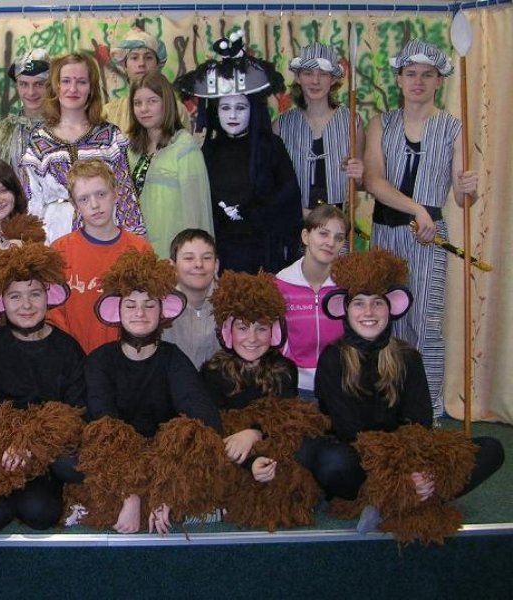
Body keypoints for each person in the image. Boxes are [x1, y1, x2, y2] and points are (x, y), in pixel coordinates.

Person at [310, 249, 503, 532]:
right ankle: (403, 496)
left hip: (406, 455)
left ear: (392, 307)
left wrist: (415, 469)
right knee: (331, 463)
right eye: (359, 304)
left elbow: (419, 422)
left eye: (377, 303)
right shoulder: (332, 358)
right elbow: (347, 430)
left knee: (491, 449)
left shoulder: (408, 356)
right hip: (359, 459)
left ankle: (394, 498)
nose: (368, 313)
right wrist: (397, 474)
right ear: (344, 309)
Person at [364, 40, 479, 419]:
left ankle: (428, 412)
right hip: (385, 232)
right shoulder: (381, 124)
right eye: (411, 74)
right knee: (385, 319)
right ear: (398, 78)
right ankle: (390, 407)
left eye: (427, 75)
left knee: (425, 322)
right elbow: (374, 181)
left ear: (438, 81)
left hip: (430, 238)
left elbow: (462, 197)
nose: (418, 81)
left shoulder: (453, 127)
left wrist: (468, 189)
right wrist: (416, 209)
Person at [84, 249, 223, 534]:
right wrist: (130, 491)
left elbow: (204, 417)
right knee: (84, 452)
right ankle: (138, 501)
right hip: (118, 458)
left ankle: (165, 500)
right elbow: (102, 424)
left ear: (162, 311)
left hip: (164, 456)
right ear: (117, 311)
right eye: (130, 305)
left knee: (203, 443)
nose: (140, 313)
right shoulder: (100, 360)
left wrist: (168, 484)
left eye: (149, 305)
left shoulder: (173, 358)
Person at [0, 242, 85, 532]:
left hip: (48, 454)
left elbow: (77, 411)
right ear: (1, 302)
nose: (26, 305)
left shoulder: (67, 348)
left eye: (35, 294)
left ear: (48, 296)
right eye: (15, 296)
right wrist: (10, 445)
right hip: (0, 454)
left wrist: (33, 444)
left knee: (40, 513)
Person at [176, 31, 302, 274]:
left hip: (263, 255)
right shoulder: (206, 152)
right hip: (217, 256)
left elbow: (288, 200)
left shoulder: (271, 147)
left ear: (252, 110)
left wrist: (254, 212)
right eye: (225, 108)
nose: (232, 115)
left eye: (241, 107)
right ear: (216, 111)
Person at [19, 52, 146, 243]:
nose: (73, 89)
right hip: (55, 233)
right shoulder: (39, 140)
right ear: (57, 86)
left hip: (105, 232)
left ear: (91, 88)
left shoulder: (109, 136)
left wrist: (135, 241)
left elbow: (125, 194)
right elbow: (31, 199)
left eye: (81, 82)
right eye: (66, 81)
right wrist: (32, 246)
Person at [202, 270, 299, 482]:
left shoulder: (285, 370)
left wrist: (254, 433)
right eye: (243, 328)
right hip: (229, 454)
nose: (252, 339)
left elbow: (285, 422)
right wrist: (248, 459)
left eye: (261, 329)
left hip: (272, 454)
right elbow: (213, 426)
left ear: (274, 332)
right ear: (228, 331)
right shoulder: (213, 372)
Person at [47, 159, 152, 354]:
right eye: (84, 199)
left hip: (127, 357)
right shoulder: (60, 251)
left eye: (101, 194)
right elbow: (54, 314)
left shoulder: (139, 249)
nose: (94, 205)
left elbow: (149, 310)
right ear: (74, 204)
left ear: (115, 194)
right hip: (75, 358)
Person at [127, 72, 213, 258]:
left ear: (166, 103)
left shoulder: (184, 148)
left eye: (152, 101)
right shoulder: (131, 150)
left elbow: (196, 212)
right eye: (137, 103)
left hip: (174, 255)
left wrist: (193, 258)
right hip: (137, 251)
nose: (144, 109)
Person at [274, 43, 364, 218]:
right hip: (294, 220)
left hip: (338, 224)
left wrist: (359, 174)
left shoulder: (352, 122)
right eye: (308, 73)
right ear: (298, 77)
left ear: (333, 79)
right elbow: (272, 186)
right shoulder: (280, 126)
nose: (315, 81)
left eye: (323, 74)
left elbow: (360, 183)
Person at [275, 205, 347, 400]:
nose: (330, 243)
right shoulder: (280, 284)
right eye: (323, 234)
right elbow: (274, 336)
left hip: (340, 383)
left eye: (339, 238)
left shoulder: (348, 285)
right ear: (306, 236)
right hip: (294, 385)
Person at [102, 26, 191, 133]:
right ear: (125, 66)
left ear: (157, 65)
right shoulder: (109, 113)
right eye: (134, 58)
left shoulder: (177, 110)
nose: (142, 64)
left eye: (148, 57)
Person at [161, 228, 221, 369]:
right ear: (172, 266)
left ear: (216, 265)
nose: (199, 264)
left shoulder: (233, 304)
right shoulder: (158, 308)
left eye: (207, 258)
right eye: (189, 258)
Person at [0, 50, 50, 177]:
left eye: (39, 84)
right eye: (23, 84)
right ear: (17, 86)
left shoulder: (63, 126)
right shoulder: (5, 129)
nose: (31, 92)